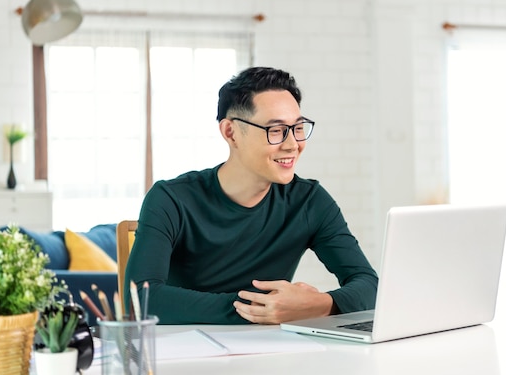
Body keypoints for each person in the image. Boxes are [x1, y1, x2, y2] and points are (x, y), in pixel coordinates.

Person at [124, 67, 378, 325]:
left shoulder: (310, 201)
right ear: (231, 132)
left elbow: (370, 285)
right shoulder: (171, 199)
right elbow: (143, 299)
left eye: (298, 128)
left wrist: (320, 305)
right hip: (185, 352)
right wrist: (264, 309)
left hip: (268, 351)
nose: (292, 145)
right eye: (276, 130)